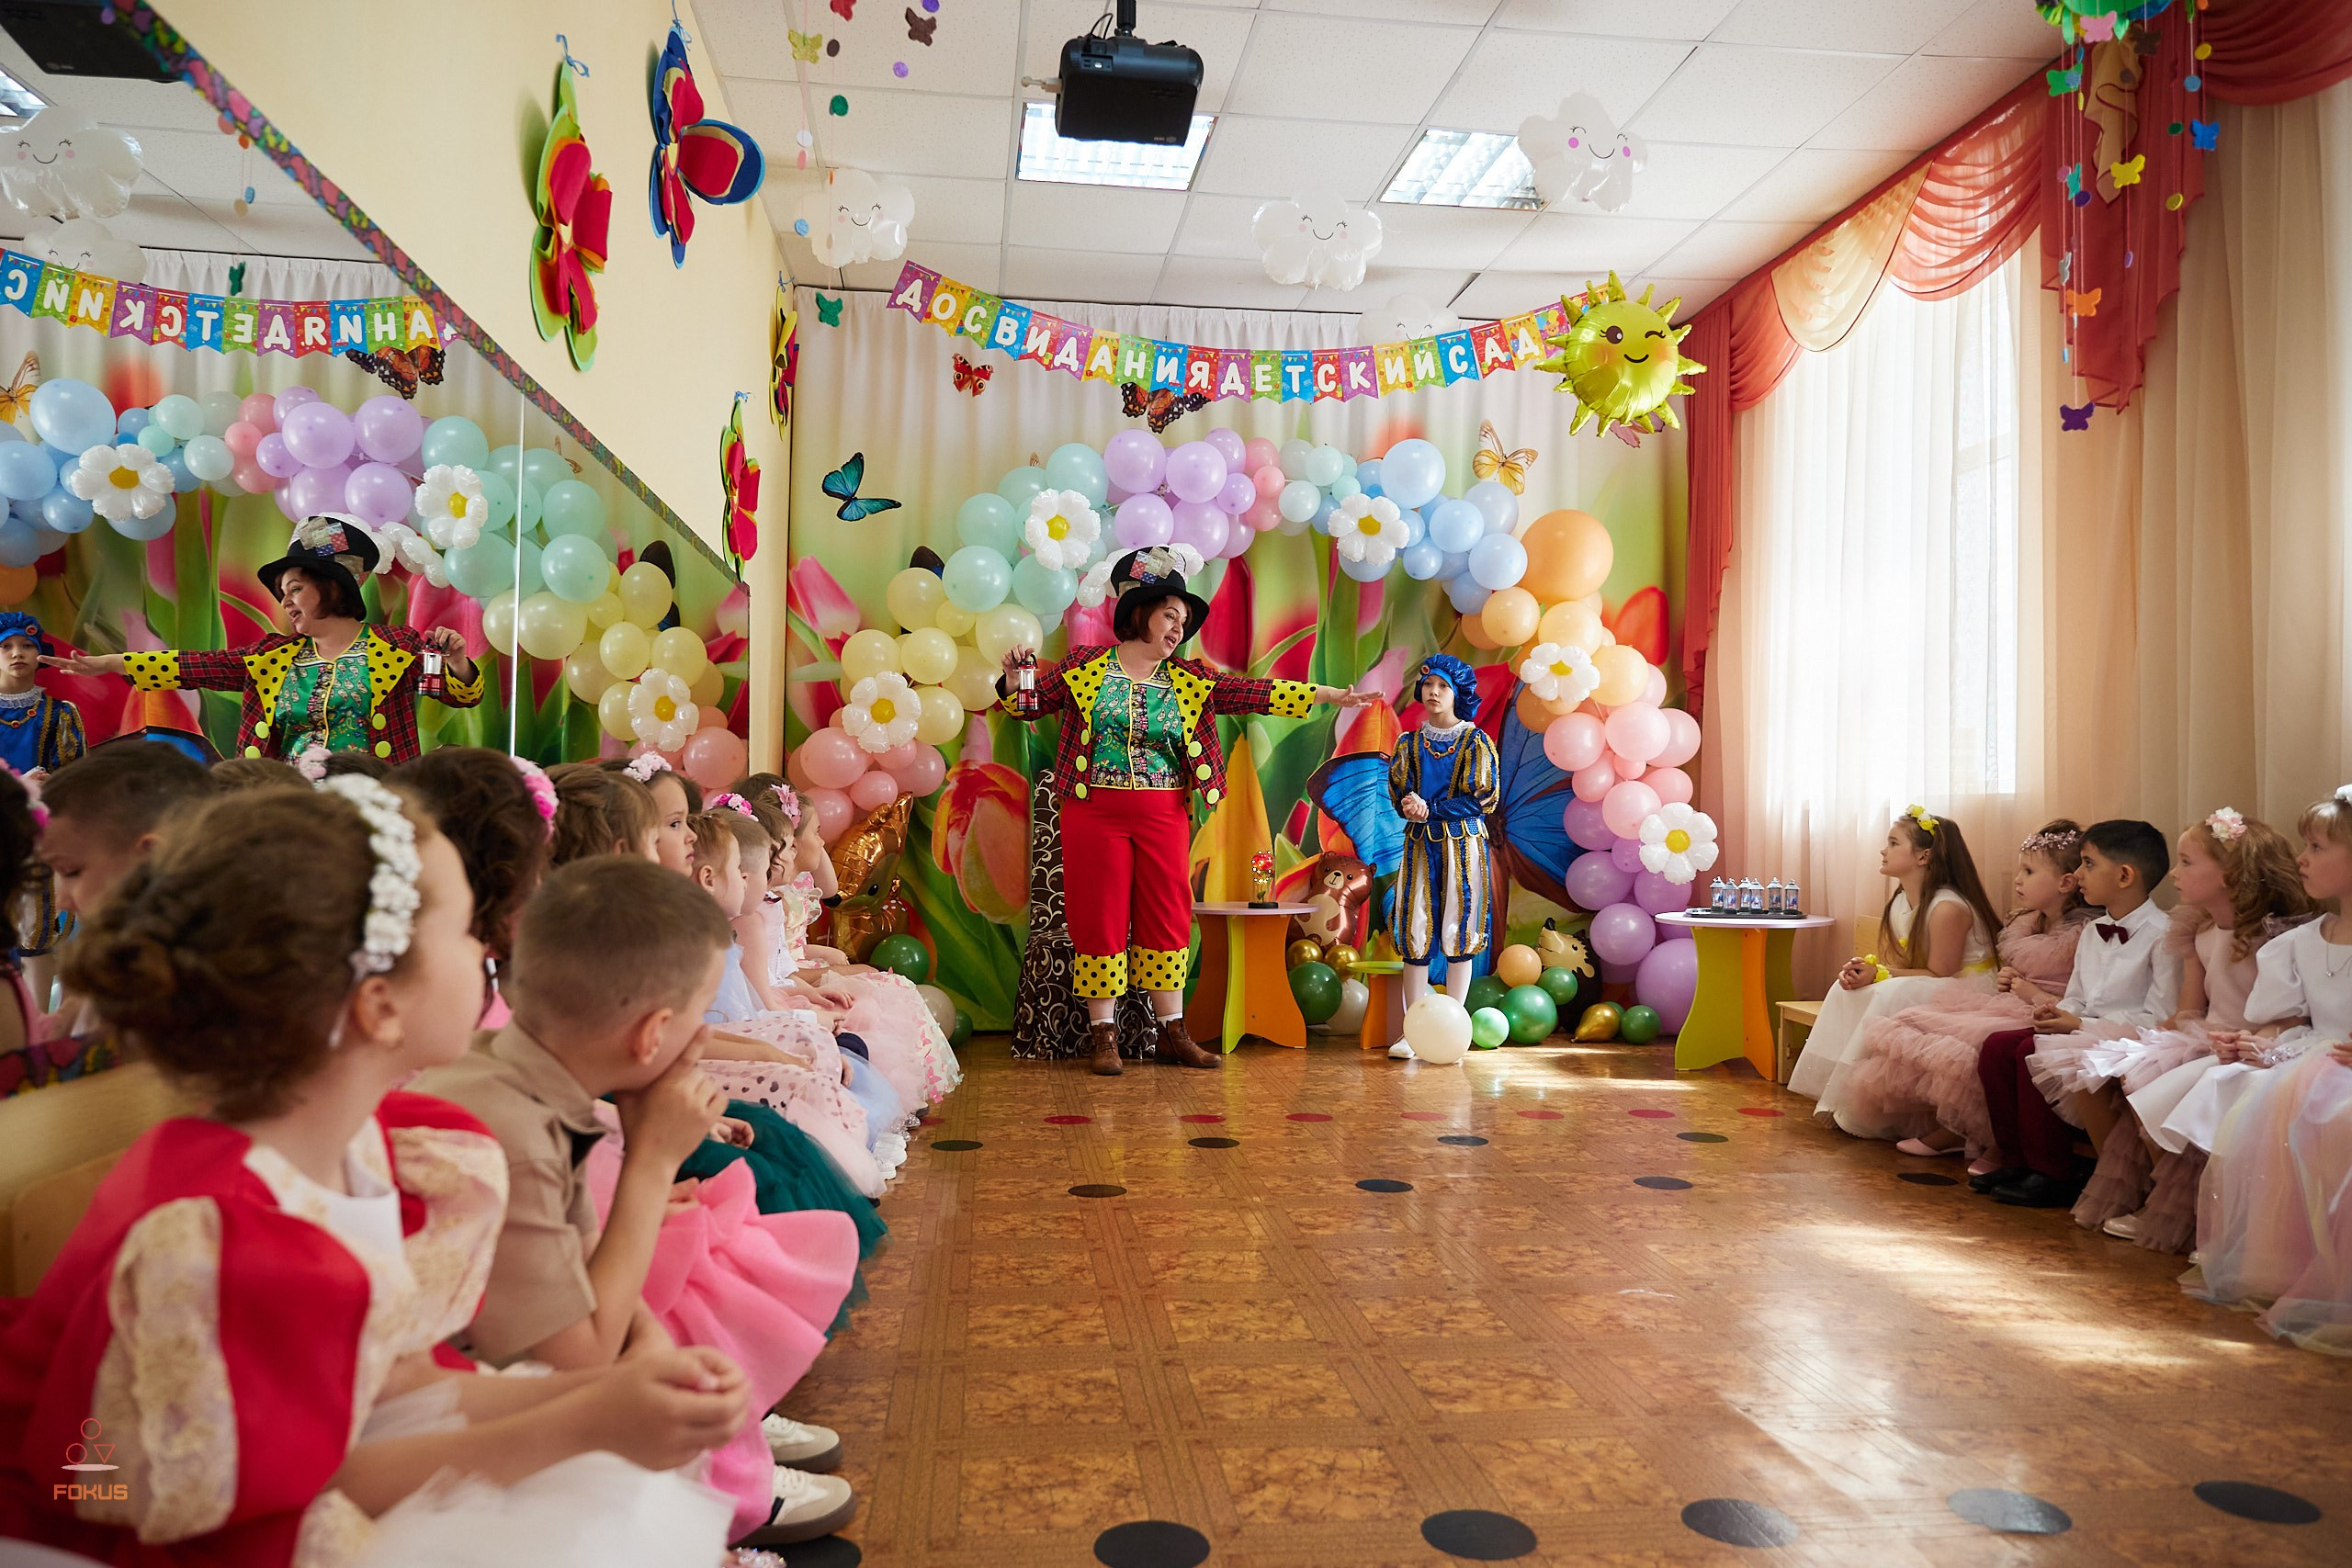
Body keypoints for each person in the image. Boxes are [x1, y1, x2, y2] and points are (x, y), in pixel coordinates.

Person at [0, 781, 745, 1564]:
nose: (491, 948)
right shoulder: (216, 1236)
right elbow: (310, 1482)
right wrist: (581, 1421)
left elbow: (395, 1388)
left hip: (310, 1476)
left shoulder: (379, 1147)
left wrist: (604, 1395)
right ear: (381, 1005)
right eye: (464, 930)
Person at [413, 856, 861, 1549]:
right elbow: (579, 1359)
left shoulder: (506, 1066)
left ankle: (724, 1458)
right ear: (653, 1034)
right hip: (465, 1408)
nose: (704, 1039)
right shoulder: (519, 1137)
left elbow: (586, 1269)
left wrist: (658, 1352)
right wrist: (651, 1161)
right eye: (697, 1021)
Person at [1000, 546, 1374, 1076]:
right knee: (1099, 913)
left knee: (1166, 911)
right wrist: (1019, 676)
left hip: (1162, 811)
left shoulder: (1189, 679)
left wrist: (1324, 694)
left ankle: (1171, 1032)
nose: (1178, 629)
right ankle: (1103, 1035)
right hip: (1093, 810)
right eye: (1169, 616)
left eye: (1183, 620)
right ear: (1139, 613)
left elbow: (1249, 692)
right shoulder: (1085, 669)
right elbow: (1026, 708)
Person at [2045, 811, 2311, 1247]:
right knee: (2106, 1068)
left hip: (2256, 1043)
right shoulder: (2197, 931)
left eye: (2187, 862)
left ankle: (2190, 1210)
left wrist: (2248, 1043)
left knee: (2150, 1081)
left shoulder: (2274, 937)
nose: (2174, 873)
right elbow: (2186, 1012)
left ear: (2231, 873)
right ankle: (2161, 1195)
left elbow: (2284, 1016)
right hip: (2203, 1034)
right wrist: (2143, 1039)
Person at [41, 513, 482, 764]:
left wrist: (458, 662)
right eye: (282, 593)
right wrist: (109, 663)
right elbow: (189, 665)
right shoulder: (272, 656)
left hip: (378, 812)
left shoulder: (400, 645)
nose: (286, 602)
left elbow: (455, 694)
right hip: (290, 811)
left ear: (332, 587)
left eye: (296, 589)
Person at [2189, 784, 2352, 1352]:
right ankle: (2286, 1267)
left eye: (2316, 846)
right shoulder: (2302, 942)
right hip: (2318, 1061)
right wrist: (2260, 1044)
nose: (2301, 858)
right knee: (2273, 1099)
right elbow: (2288, 1023)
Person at [1828, 820, 2093, 1157]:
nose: (2017, 880)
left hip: (2044, 1009)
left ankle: (1985, 1139)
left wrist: (2027, 991)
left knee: (1971, 1044)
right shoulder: (2024, 924)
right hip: (2008, 1003)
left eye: (2028, 872)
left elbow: (2077, 994)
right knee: (1916, 1022)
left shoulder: (2081, 935)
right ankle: (1959, 1129)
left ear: (2065, 883)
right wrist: (2010, 982)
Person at [1972, 818, 2180, 1208]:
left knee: (2029, 1053)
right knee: (1997, 1046)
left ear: (2123, 875)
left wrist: (2080, 1024)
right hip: (2083, 1026)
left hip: (2127, 1037)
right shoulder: (2093, 930)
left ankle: (2053, 1170)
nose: (2079, 874)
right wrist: (2057, 1012)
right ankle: (2016, 1158)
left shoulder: (2163, 935)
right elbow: (2078, 996)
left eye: (2087, 864)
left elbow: (2159, 1017)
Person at [1789, 807, 2001, 1111]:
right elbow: (1909, 967)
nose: (1882, 850)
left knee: (1892, 990)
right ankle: (1836, 1092)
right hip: (1932, 980)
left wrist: (1881, 973)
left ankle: (1857, 1102)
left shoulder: (1947, 908)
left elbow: (1941, 974)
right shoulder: (1901, 902)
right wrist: (1870, 973)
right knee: (1848, 988)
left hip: (1966, 988)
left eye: (1893, 843)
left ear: (1923, 856)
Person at [1385, 655, 1499, 1061]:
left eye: (1443, 686)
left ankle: (1454, 1028)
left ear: (1458, 693)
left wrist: (1432, 809)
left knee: (1458, 926)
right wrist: (1409, 804)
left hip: (1461, 846)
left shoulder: (1475, 742)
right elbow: (1399, 790)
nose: (1433, 692)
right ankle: (1411, 1032)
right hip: (1421, 845)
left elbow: (1483, 797)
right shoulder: (1408, 745)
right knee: (1416, 930)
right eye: (1428, 684)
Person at [0, 611, 85, 986]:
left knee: (36, 932)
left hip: (40, 836)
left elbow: (78, 779)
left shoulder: (61, 714)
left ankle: (38, 1032)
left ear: (40, 654)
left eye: (26, 645)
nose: (17, 653)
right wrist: (17, 783)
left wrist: (53, 783)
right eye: (6, 646)